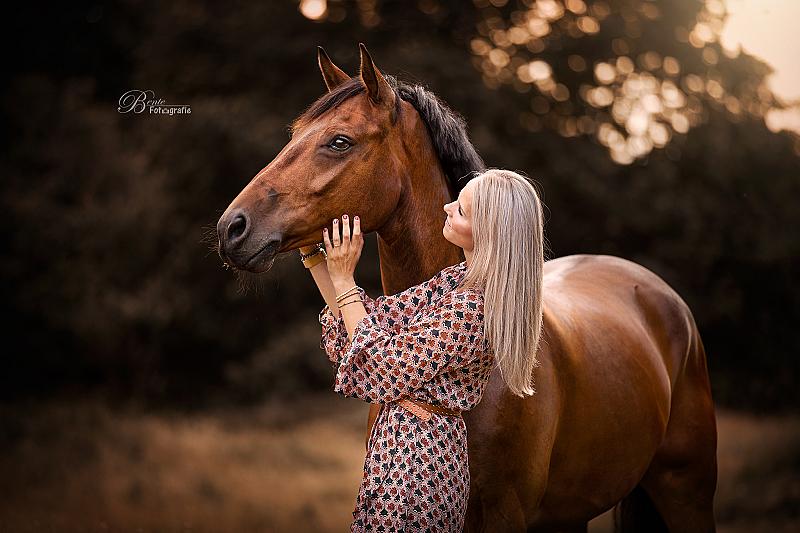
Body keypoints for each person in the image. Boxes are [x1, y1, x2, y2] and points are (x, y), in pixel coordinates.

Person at [298, 168, 545, 532]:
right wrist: (314, 257)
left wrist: (344, 277)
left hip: (419, 464)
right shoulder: (455, 281)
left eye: (461, 210)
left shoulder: (472, 310)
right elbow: (369, 322)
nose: (446, 207)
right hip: (399, 447)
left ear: (488, 233)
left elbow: (383, 363)